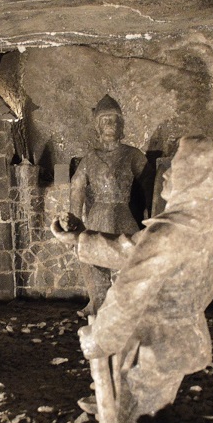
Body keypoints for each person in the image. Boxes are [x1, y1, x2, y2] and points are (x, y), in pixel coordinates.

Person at [52, 136, 213, 423]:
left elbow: (129, 291)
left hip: (155, 345)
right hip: (182, 338)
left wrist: (101, 338)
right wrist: (80, 239)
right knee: (147, 409)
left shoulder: (171, 231)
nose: (169, 174)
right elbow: (134, 249)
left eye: (177, 167)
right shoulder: (203, 219)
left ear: (191, 175)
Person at [69, 94, 153, 315]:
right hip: (98, 212)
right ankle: (96, 300)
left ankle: (129, 302)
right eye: (105, 120)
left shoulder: (131, 154)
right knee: (90, 254)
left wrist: (151, 210)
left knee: (131, 254)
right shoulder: (90, 159)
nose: (110, 124)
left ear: (121, 124)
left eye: (114, 120)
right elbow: (77, 187)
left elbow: (149, 180)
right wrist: (74, 219)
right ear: (97, 126)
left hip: (122, 211)